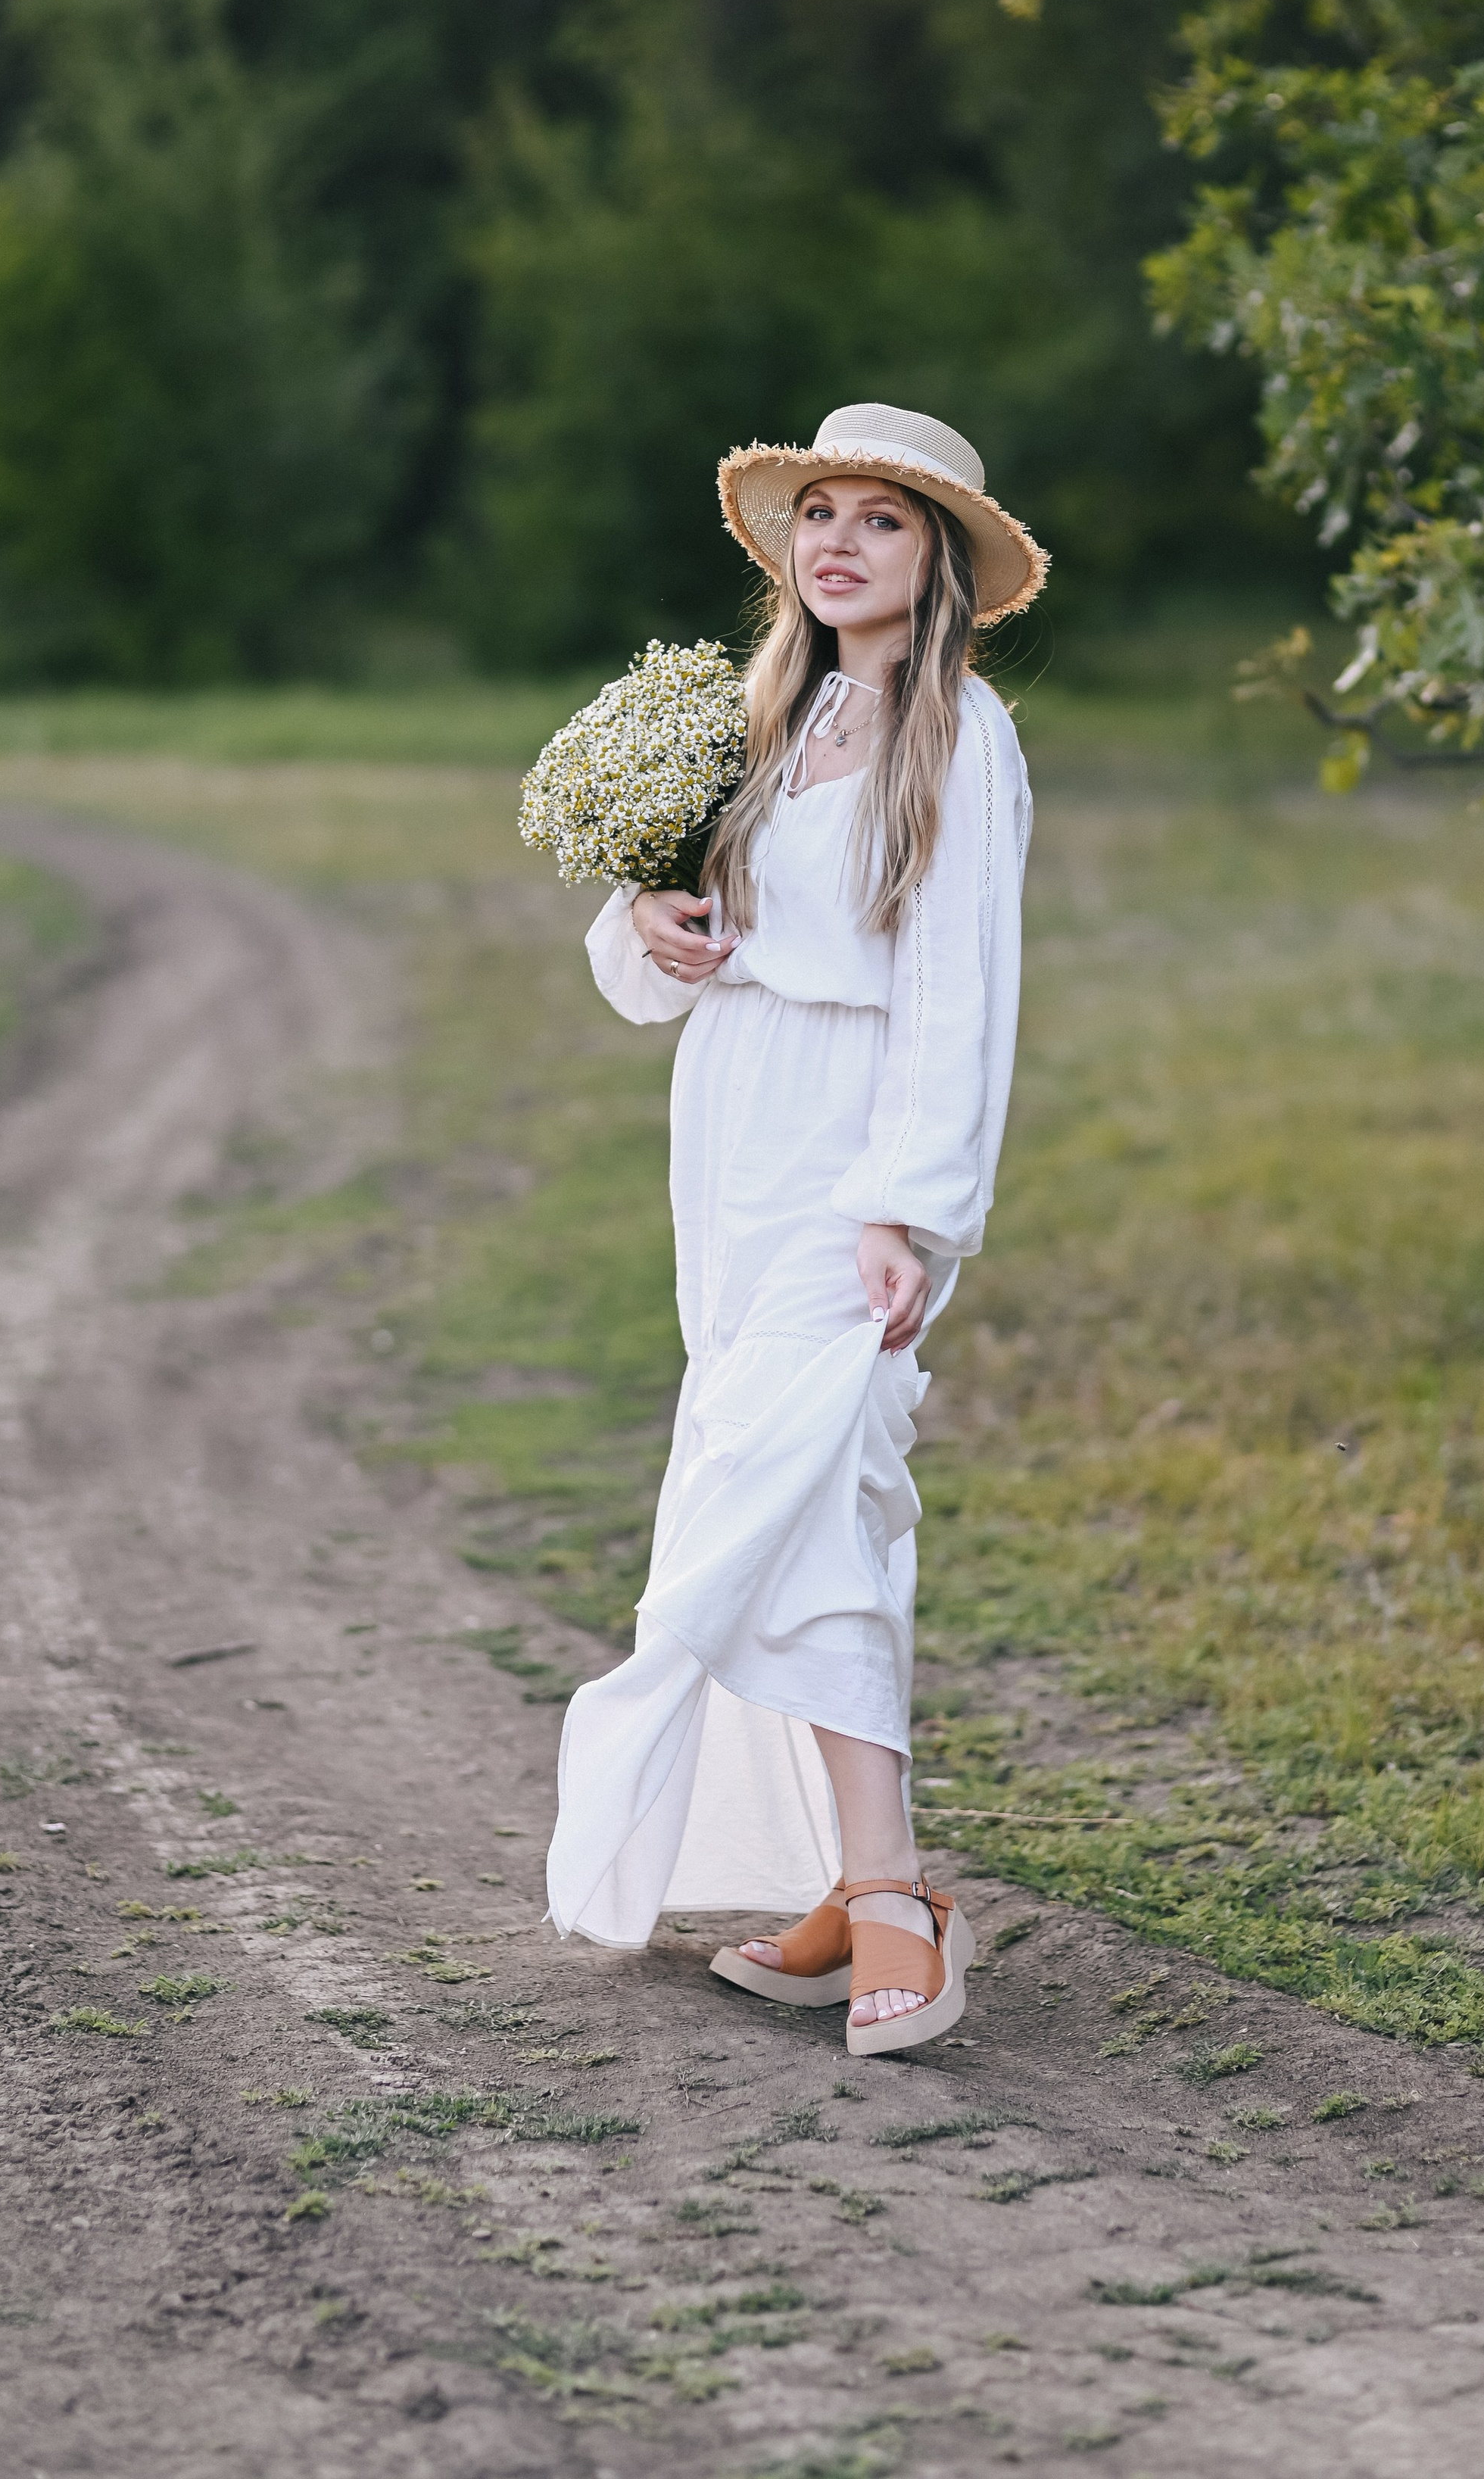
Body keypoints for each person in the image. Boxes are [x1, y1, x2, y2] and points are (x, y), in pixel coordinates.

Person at [544, 404, 1046, 2056]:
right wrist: (649, 921)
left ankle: (892, 1896)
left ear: (937, 559)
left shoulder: (960, 734)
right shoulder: (759, 715)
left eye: (881, 520)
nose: (838, 542)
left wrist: (909, 1206)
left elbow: (958, 992)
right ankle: (849, 1883)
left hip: (856, 1154)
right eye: (819, 513)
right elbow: (648, 968)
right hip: (733, 1141)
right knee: (778, 1490)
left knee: (814, 1487)